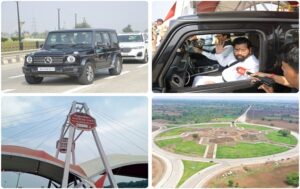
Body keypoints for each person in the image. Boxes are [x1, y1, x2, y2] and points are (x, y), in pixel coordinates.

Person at [193, 37, 259, 86]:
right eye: (236, 50)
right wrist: (218, 53)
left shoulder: (254, 64)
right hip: (221, 78)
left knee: (198, 87)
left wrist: (214, 86)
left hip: (227, 85)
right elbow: (223, 63)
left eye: (243, 50)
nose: (239, 53)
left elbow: (247, 83)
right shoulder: (233, 54)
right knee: (197, 78)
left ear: (250, 50)